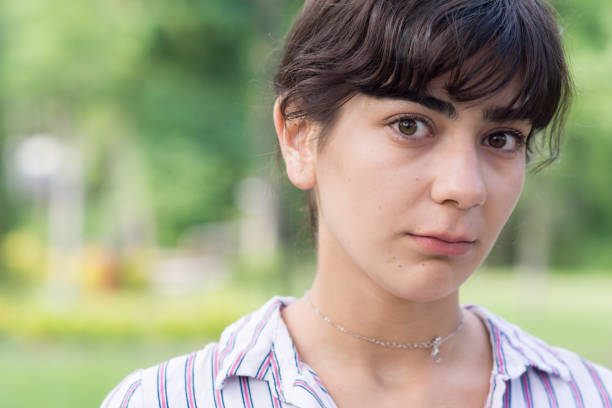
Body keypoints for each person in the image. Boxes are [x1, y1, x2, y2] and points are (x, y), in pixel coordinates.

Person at [102, 0, 612, 407]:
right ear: (300, 137)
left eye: (501, 138)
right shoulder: (170, 399)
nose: (465, 187)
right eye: (410, 125)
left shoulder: (587, 395)